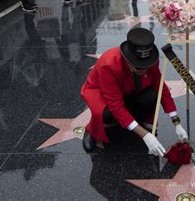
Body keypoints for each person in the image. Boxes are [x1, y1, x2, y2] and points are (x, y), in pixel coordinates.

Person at [80, 28, 188, 156]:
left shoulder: (150, 61)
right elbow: (115, 105)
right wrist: (145, 135)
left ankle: (129, 121)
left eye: (146, 66)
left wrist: (176, 123)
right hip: (101, 92)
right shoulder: (108, 65)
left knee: (152, 95)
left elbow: (161, 88)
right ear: (127, 59)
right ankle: (92, 130)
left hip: (130, 88)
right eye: (138, 67)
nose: (144, 71)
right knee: (106, 113)